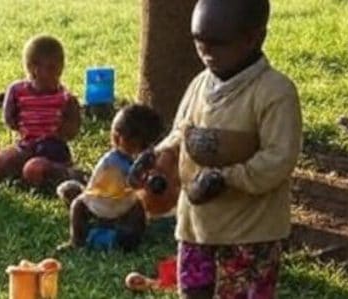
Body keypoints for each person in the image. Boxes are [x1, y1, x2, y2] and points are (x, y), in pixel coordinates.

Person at [153, 0, 302, 297]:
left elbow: (279, 158)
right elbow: (182, 131)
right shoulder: (200, 84)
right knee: (194, 292)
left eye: (218, 44)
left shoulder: (275, 92)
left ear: (254, 38)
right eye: (199, 41)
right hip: (197, 227)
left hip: (249, 233)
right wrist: (161, 155)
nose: (206, 52)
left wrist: (226, 178)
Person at [64, 105, 163, 251]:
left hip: (123, 204)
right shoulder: (112, 160)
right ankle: (76, 241)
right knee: (78, 205)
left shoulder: (137, 160)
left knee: (137, 209)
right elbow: (133, 179)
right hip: (97, 202)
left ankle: (132, 238)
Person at [0, 35, 82, 185]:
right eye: (51, 68)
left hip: (52, 150)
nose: (57, 74)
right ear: (33, 69)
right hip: (26, 145)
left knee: (33, 169)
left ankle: (66, 173)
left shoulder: (66, 98)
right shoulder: (17, 91)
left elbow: (72, 130)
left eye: (60, 68)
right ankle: (24, 176)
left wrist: (64, 128)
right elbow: (10, 119)